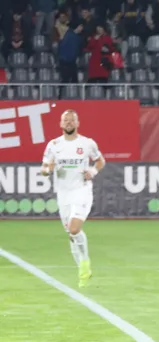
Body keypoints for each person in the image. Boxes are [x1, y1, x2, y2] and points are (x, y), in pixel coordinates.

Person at [40, 110, 105, 288]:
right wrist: (49, 170)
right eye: (65, 120)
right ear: (60, 124)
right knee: (71, 234)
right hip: (63, 194)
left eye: (71, 120)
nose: (68, 123)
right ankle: (83, 272)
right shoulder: (54, 145)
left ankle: (84, 262)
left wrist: (92, 171)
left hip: (81, 190)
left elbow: (100, 161)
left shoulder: (87, 143)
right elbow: (44, 169)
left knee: (74, 228)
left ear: (77, 123)